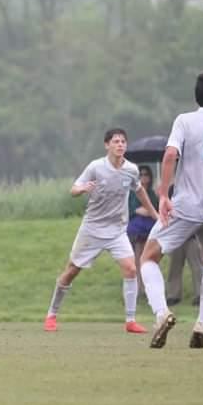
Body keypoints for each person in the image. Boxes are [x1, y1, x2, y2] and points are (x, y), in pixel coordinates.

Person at [140, 72, 203, 349]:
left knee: (149, 257)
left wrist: (163, 194)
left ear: (197, 96)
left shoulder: (184, 121)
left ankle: (162, 314)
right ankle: (201, 325)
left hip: (186, 205)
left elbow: (170, 154)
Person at [45, 128, 158, 334]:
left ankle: (130, 321)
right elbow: (73, 189)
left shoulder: (131, 170)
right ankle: (51, 314)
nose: (120, 145)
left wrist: (155, 215)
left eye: (123, 141)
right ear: (107, 145)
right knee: (71, 272)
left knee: (131, 269)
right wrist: (82, 189)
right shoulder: (96, 167)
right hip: (92, 229)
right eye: (116, 141)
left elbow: (139, 190)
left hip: (117, 231)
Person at [126, 164, 159, 296]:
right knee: (139, 258)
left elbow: (157, 209)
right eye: (141, 175)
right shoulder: (133, 193)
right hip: (137, 230)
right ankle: (140, 287)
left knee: (150, 259)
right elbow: (136, 209)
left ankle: (150, 287)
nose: (144, 178)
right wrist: (150, 212)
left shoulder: (152, 193)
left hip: (151, 229)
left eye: (146, 175)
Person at [165, 235, 203, 307]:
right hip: (176, 238)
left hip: (193, 237)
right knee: (174, 267)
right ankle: (173, 295)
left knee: (197, 267)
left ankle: (201, 295)